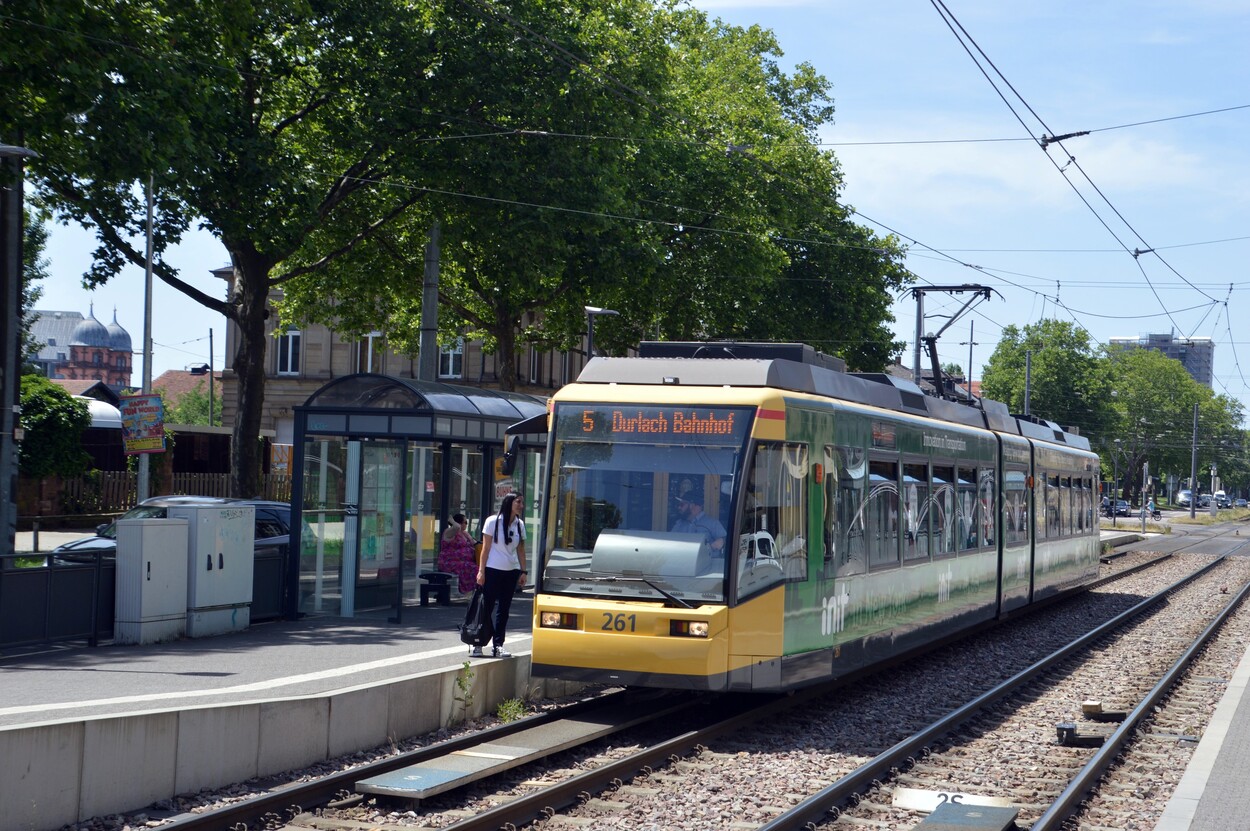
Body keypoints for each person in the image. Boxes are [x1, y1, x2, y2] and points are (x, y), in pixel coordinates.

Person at [474, 493, 527, 659]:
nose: (521, 505)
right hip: (492, 570)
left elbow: (521, 550)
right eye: (518, 502)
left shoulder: (519, 524)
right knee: (486, 607)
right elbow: (485, 549)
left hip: (511, 572)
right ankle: (478, 643)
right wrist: (481, 571)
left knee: (504, 610)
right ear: (509, 502)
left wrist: (523, 571)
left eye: (522, 503)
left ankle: (498, 645)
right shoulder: (492, 521)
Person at [671, 487, 726, 551]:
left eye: (682, 504)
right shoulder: (679, 524)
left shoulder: (712, 523)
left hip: (705, 560)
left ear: (692, 505)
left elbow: (727, 541)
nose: (679, 507)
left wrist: (721, 542)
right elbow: (670, 542)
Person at [438, 513, 477, 594]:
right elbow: (456, 527)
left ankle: (481, 592)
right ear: (459, 523)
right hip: (450, 562)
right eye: (465, 522)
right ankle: (473, 591)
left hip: (465, 562)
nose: (466, 524)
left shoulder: (464, 533)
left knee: (482, 568)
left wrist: (470, 538)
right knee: (476, 569)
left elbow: (475, 544)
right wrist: (451, 521)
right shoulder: (449, 532)